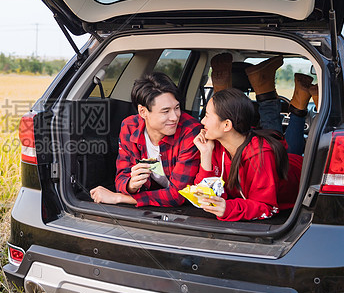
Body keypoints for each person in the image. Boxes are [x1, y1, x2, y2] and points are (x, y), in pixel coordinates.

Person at [90, 72, 202, 206]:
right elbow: (121, 177)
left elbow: (178, 195)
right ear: (143, 112)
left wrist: (119, 198)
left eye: (177, 108)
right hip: (153, 204)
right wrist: (131, 185)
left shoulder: (191, 131)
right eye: (165, 111)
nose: (174, 117)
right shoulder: (130, 126)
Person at [192, 88, 303, 221]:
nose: (202, 121)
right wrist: (205, 153)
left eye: (207, 116)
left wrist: (228, 208)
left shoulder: (260, 155)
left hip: (303, 179)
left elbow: (266, 207)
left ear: (226, 125)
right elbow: (203, 195)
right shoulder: (215, 144)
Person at [210, 53, 317, 155]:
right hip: (258, 162)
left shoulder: (203, 132)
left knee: (277, 152)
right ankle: (296, 104)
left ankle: (223, 97)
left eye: (206, 115)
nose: (203, 120)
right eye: (206, 115)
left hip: (230, 157)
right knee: (284, 156)